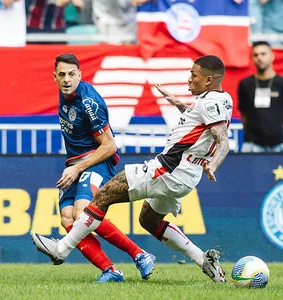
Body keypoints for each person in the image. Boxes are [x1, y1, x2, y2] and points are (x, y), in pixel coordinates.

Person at [32, 55, 231, 283]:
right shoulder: (223, 99)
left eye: (193, 75)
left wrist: (214, 164)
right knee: (149, 221)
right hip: (186, 176)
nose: (189, 79)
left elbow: (222, 140)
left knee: (103, 196)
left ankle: (62, 249)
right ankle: (204, 260)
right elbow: (203, 123)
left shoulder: (208, 102)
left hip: (168, 170)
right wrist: (180, 105)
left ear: (208, 80)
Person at [33, 53, 155, 283]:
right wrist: (74, 166)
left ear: (80, 74)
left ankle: (140, 255)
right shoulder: (65, 93)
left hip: (97, 160)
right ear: (55, 77)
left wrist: (78, 168)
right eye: (62, 75)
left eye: (72, 74)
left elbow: (109, 146)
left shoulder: (89, 102)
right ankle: (110, 271)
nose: (67, 79)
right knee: (68, 219)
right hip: (75, 162)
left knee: (82, 212)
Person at [238, 41, 283, 152]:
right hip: (251, 143)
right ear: (252, 58)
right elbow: (243, 113)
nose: (259, 58)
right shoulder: (245, 84)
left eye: (263, 54)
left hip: (277, 143)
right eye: (255, 55)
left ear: (272, 56)